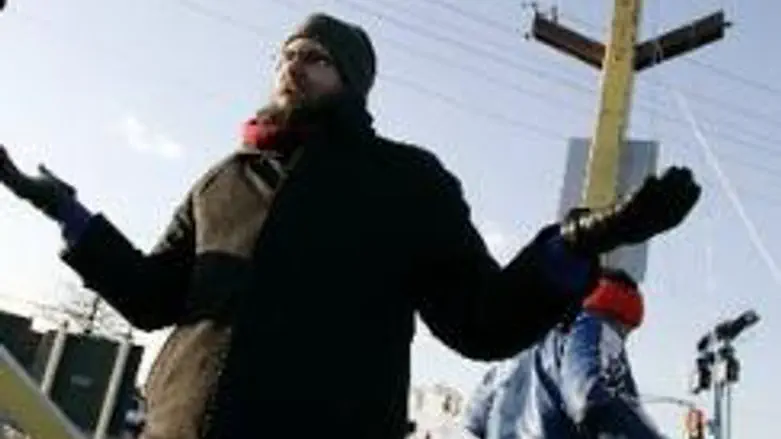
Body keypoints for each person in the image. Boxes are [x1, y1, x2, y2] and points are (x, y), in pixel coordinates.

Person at [0, 12, 700, 439]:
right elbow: (153, 298)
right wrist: (68, 213)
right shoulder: (224, 180)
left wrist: (578, 242)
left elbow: (481, 321)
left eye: (314, 57)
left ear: (352, 79)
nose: (292, 66)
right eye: (286, 54)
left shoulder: (405, 182)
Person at [463, 269, 668, 439]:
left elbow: (474, 420)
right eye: (626, 331)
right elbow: (587, 393)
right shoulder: (595, 326)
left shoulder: (523, 345)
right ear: (624, 312)